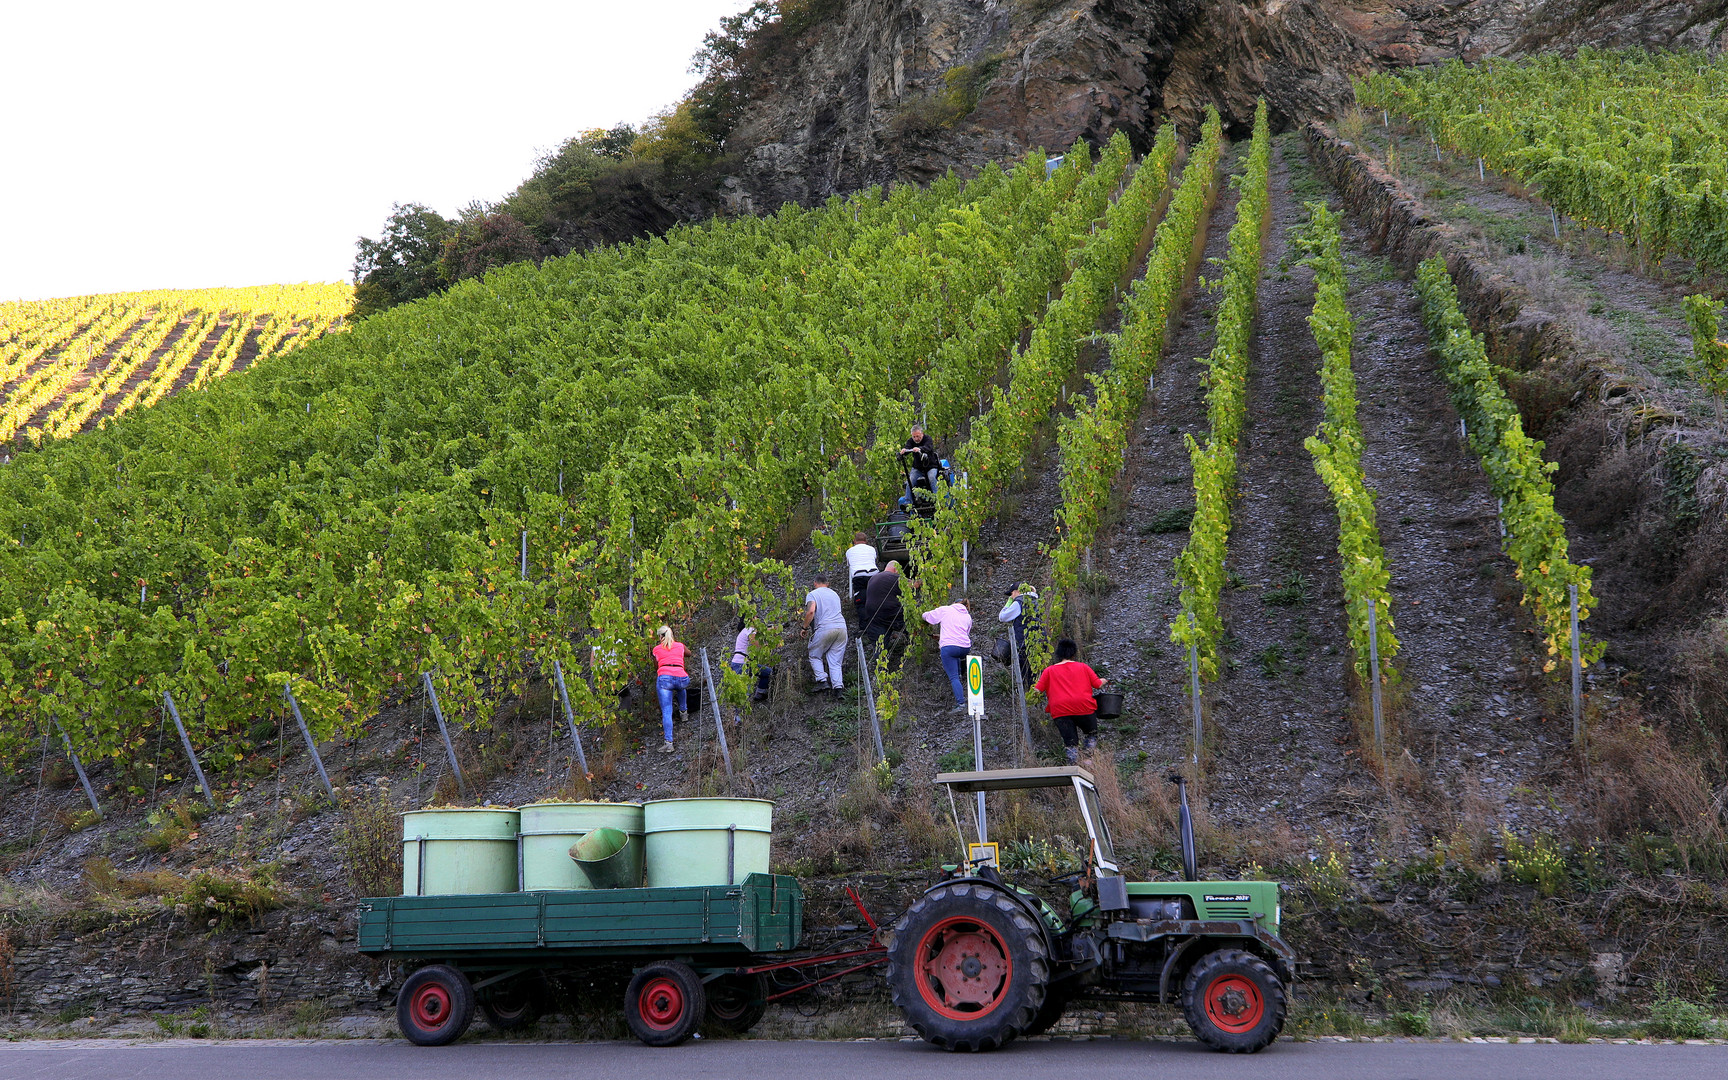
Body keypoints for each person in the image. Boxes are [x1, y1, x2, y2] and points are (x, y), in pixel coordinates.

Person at [1034, 638, 1106, 765]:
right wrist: (1104, 680)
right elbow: (1098, 684)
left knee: (1070, 743)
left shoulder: (1048, 671)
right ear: (1074, 653)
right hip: (1083, 707)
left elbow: (1037, 690)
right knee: (1091, 734)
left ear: (1058, 654)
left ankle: (1073, 766)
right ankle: (1088, 759)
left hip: (1060, 710)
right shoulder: (1083, 667)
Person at [922, 598, 973, 713]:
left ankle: (961, 704)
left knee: (953, 677)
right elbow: (962, 633)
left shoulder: (946, 610)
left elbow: (929, 617)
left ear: (954, 603)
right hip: (964, 647)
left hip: (949, 648)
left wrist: (922, 615)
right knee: (957, 665)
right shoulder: (968, 616)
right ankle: (961, 674)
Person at [803, 572, 847, 695]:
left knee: (814, 655)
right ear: (828, 584)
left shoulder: (813, 594)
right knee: (835, 660)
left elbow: (811, 612)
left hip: (825, 628)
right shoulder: (834, 594)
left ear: (815, 583)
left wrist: (804, 627)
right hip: (842, 628)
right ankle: (838, 688)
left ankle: (822, 681)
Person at [652, 625, 690, 755]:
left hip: (665, 679)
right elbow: (689, 653)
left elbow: (656, 665)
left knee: (666, 711)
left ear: (660, 636)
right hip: (682, 677)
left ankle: (669, 743)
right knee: (680, 687)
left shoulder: (656, 649)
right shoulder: (680, 645)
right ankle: (684, 712)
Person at [997, 584, 1041, 686]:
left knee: (1026, 675)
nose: (1011, 597)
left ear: (1017, 591)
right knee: (1035, 675)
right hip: (1038, 642)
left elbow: (1002, 617)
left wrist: (1008, 604)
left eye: (1011, 594)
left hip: (1024, 644)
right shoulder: (1036, 601)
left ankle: (1026, 698)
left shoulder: (1019, 602)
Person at [860, 561, 906, 652]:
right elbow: (913, 585)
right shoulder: (892, 576)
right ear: (896, 569)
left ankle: (880, 664)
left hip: (873, 616)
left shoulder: (873, 579)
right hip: (891, 612)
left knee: (879, 647)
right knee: (912, 628)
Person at [729, 618, 774, 703]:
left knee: (767, 672)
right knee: (745, 694)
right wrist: (771, 644)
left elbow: (762, 631)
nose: (758, 619)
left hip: (742, 663)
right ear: (750, 620)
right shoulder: (749, 629)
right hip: (742, 664)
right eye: (755, 617)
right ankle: (740, 713)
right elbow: (758, 645)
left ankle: (759, 694)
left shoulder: (745, 631)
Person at [898, 425, 941, 493]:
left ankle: (937, 499)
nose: (916, 439)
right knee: (910, 481)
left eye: (918, 436)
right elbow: (907, 447)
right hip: (917, 468)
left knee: (931, 478)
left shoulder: (928, 439)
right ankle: (908, 501)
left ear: (922, 434)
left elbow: (928, 447)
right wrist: (904, 451)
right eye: (914, 437)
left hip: (930, 467)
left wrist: (920, 449)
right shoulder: (911, 441)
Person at [844, 531, 878, 607]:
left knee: (861, 599)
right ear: (866, 541)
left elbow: (849, 565)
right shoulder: (872, 549)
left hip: (859, 575)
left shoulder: (849, 551)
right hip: (874, 574)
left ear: (854, 541)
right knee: (875, 597)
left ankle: (863, 615)